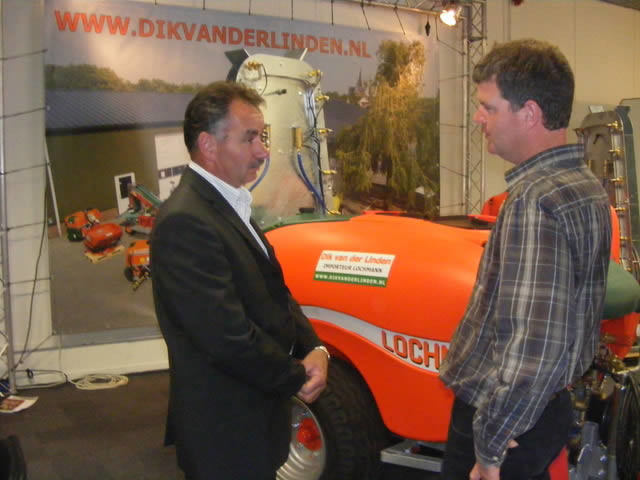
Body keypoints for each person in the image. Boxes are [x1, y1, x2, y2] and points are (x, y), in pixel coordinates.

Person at [439, 39, 611, 480]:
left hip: (508, 421)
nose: (478, 118)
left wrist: (491, 445)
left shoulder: (535, 200)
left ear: (530, 113)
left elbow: (533, 347)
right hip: (545, 409)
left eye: (488, 107)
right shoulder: (584, 185)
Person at [150, 81, 329, 480]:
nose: (262, 151)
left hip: (252, 419)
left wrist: (315, 347)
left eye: (262, 137)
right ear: (208, 145)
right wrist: (297, 376)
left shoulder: (228, 204)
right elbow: (225, 336)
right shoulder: (186, 221)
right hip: (224, 432)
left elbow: (273, 291)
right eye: (250, 138)